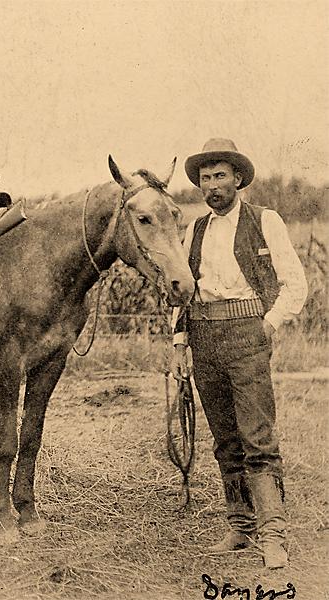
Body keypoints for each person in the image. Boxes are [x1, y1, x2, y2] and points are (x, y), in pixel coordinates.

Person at [172, 139, 308, 569]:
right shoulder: (194, 229)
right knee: (225, 440)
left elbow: (295, 284)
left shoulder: (265, 221)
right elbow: (181, 292)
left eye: (220, 176)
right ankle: (241, 526)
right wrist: (179, 344)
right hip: (203, 337)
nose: (212, 186)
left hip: (247, 335)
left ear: (237, 179)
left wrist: (268, 324)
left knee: (258, 439)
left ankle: (274, 535)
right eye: (205, 178)